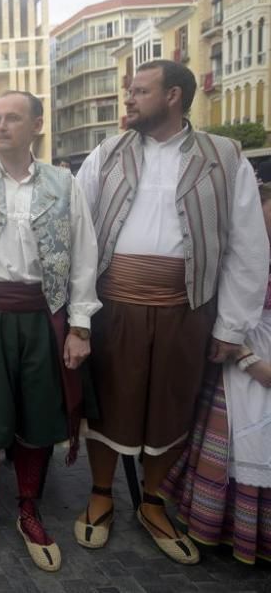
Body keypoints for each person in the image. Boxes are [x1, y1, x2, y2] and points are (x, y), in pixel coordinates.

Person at [74, 60, 268, 564]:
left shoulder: (224, 157)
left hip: (188, 307)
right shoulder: (107, 152)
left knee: (172, 407)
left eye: (140, 91)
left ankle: (153, 502)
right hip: (112, 303)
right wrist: (78, 312)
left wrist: (232, 324)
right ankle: (100, 493)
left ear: (174, 96)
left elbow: (248, 246)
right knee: (107, 404)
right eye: (130, 91)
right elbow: (79, 234)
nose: (129, 100)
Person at [0, 91, 101, 572]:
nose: (1, 126)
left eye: (13, 118)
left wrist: (80, 326)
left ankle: (28, 507)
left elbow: (84, 257)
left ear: (36, 126)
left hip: (42, 314)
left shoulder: (64, 185)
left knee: (38, 417)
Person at [159, 181, 271, 565]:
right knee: (235, 443)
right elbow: (216, 303)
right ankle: (222, 526)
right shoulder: (232, 259)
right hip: (238, 354)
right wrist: (245, 355)